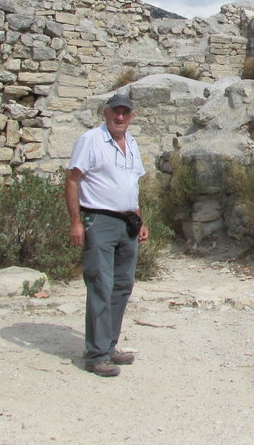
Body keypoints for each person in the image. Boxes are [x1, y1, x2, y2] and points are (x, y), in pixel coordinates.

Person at [64, 92, 148, 377]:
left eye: (125, 112)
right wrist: (76, 222)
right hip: (99, 220)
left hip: (127, 224)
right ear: (106, 112)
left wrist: (140, 220)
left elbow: (131, 185)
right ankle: (96, 354)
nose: (120, 117)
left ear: (132, 116)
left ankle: (109, 346)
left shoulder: (132, 143)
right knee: (101, 284)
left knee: (122, 285)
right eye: (115, 111)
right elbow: (73, 180)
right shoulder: (91, 140)